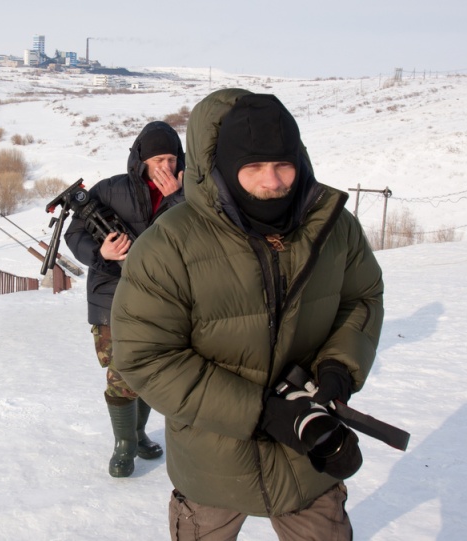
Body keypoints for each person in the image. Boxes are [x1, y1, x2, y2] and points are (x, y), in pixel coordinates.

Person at [110, 89, 384, 539]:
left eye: (283, 164)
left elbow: (362, 299)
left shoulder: (333, 228)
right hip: (212, 463)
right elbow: (146, 355)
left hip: (307, 459)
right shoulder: (170, 245)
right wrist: (260, 413)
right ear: (220, 168)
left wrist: (337, 371)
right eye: (253, 167)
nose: (273, 181)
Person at [64, 120, 185, 478]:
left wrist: (178, 197)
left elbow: (203, 234)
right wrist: (100, 252)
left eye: (171, 159)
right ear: (141, 160)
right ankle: (124, 446)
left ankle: (139, 432)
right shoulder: (110, 189)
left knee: (151, 372)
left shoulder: (192, 193)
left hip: (165, 301)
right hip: (112, 299)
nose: (165, 167)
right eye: (157, 159)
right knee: (120, 374)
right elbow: (74, 233)